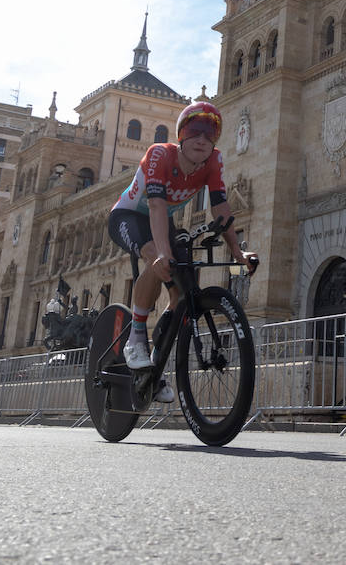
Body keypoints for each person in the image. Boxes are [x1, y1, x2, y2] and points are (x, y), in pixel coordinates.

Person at [108, 101, 258, 404]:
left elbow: (221, 208)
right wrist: (162, 254)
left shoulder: (213, 161)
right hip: (128, 217)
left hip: (162, 222)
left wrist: (238, 253)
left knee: (180, 292)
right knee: (155, 257)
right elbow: (155, 205)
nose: (202, 139)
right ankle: (136, 337)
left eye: (209, 133)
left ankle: (154, 365)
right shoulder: (160, 154)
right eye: (195, 131)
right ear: (181, 135)